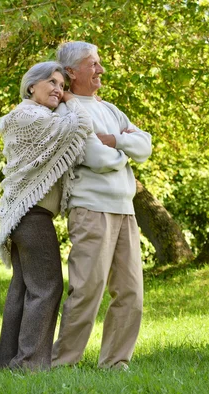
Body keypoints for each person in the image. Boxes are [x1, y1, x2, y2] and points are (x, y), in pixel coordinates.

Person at [0, 61, 126, 370]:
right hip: (31, 214)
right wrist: (72, 101)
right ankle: (29, 364)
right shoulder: (29, 115)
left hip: (26, 213)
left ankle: (9, 362)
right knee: (47, 287)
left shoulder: (36, 116)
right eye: (52, 83)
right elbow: (80, 126)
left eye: (62, 86)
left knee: (24, 288)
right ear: (31, 86)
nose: (58, 90)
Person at [51, 41, 152, 371]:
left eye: (99, 63)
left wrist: (117, 142)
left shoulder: (110, 110)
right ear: (71, 72)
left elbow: (146, 145)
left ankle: (115, 364)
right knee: (87, 290)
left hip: (125, 209)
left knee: (131, 294)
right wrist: (124, 151)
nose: (100, 69)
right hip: (91, 209)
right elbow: (96, 157)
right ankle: (63, 363)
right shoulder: (69, 111)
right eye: (92, 64)